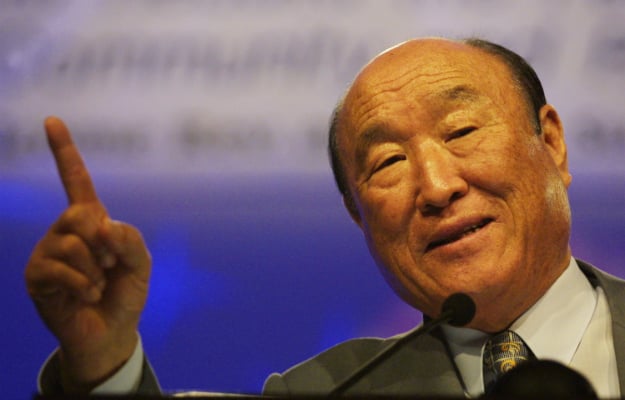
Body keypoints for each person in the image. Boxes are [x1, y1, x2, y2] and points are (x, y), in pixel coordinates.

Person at [26, 37, 625, 397]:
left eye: (462, 131)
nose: (438, 187)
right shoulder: (320, 391)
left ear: (551, 143)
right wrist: (103, 365)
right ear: (357, 215)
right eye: (388, 162)